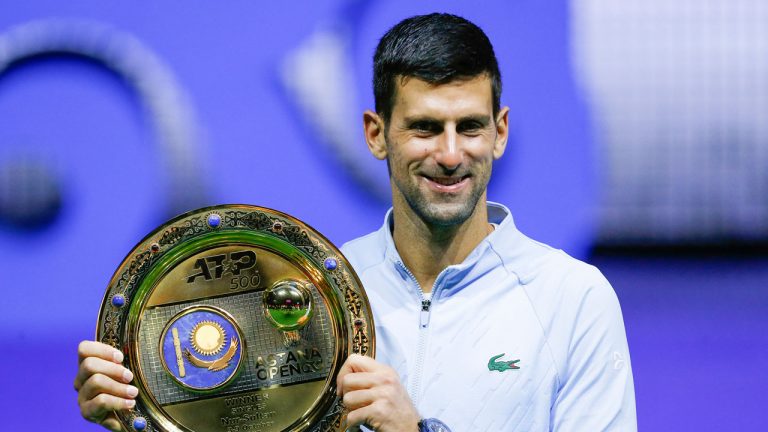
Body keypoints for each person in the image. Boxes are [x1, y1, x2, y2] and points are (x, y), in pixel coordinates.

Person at [75, 13, 636, 431]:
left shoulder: (573, 298)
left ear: (501, 131)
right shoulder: (314, 294)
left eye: (469, 126)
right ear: (375, 134)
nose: (449, 154)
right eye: (423, 128)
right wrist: (142, 407)